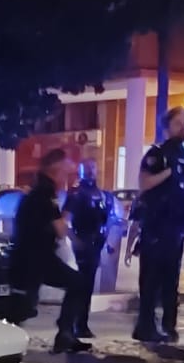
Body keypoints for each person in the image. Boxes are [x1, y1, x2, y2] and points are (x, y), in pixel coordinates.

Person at [131, 106, 184, 341]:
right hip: (157, 225)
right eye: (178, 122)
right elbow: (144, 182)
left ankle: (169, 326)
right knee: (150, 280)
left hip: (177, 227)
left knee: (171, 280)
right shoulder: (158, 153)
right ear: (167, 127)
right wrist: (169, 172)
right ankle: (145, 326)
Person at [11, 147, 89, 351]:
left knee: (25, 304)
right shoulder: (45, 192)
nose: (67, 172)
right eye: (65, 167)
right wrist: (70, 207)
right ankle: (64, 333)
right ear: (55, 169)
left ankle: (65, 333)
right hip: (36, 257)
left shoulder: (40, 190)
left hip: (31, 256)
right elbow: (60, 229)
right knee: (76, 283)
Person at [65, 160, 113, 339]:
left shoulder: (99, 194)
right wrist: (75, 239)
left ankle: (81, 324)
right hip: (84, 242)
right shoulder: (77, 193)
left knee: (88, 285)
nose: (92, 172)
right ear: (81, 171)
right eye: (88, 169)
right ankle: (76, 324)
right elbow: (66, 219)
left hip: (96, 243)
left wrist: (106, 242)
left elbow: (105, 219)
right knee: (82, 285)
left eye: (94, 168)